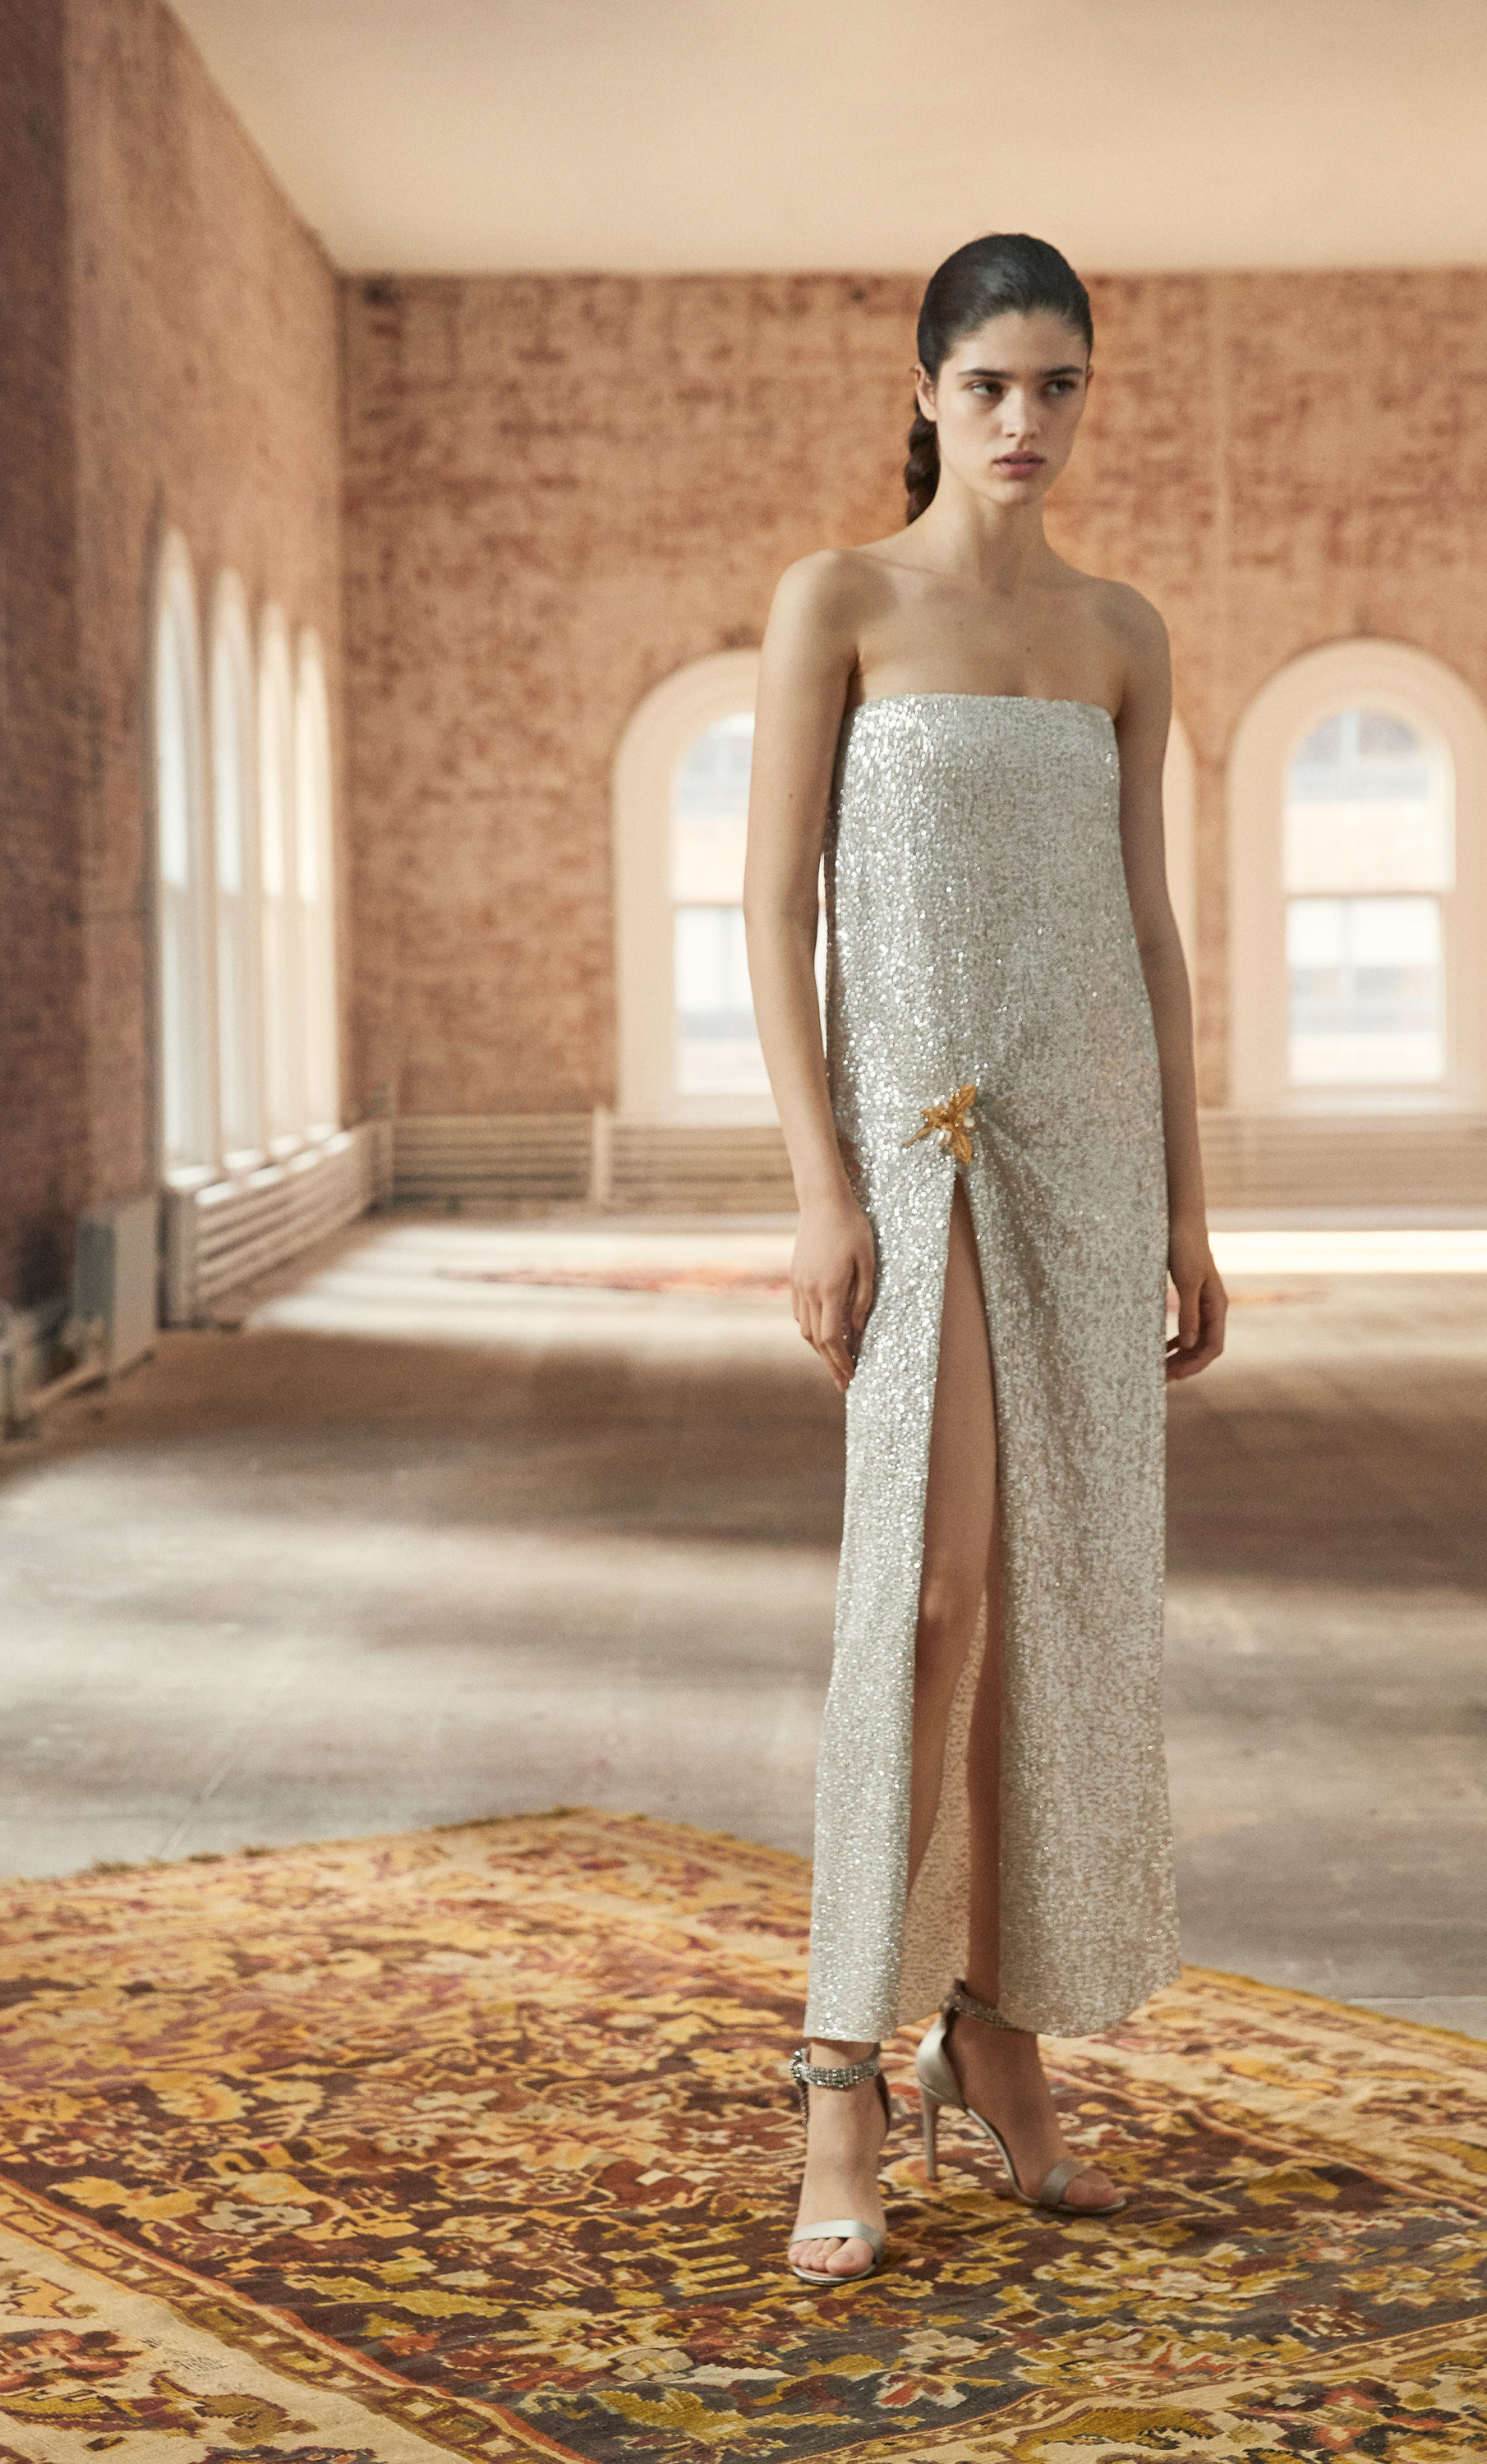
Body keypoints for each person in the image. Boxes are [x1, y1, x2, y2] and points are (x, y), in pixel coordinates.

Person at [742, 233, 1227, 2287]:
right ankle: (838, 2066)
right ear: (928, 389)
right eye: (993, 384)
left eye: (1061, 385)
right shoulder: (838, 601)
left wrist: (1188, 1207)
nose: (1027, 421)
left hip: (1092, 1164)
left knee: (1055, 1608)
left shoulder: (1120, 631)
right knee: (932, 1594)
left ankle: (996, 2032)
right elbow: (774, 910)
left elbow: (1149, 935)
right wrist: (819, 1186)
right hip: (917, 1153)